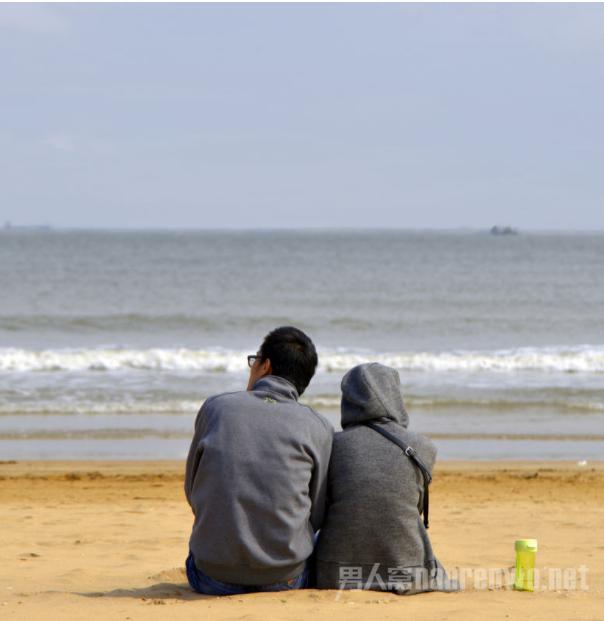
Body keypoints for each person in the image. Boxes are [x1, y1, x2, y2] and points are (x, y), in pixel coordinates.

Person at [184, 326, 333, 595]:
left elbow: (192, 491)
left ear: (265, 365)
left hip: (211, 576)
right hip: (284, 578)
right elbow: (317, 512)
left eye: (255, 360)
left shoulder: (216, 408)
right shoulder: (317, 426)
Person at [314, 362, 456, 594]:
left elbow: (321, 510)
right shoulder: (424, 447)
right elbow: (414, 508)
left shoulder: (331, 444)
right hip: (405, 569)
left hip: (335, 572)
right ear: (395, 396)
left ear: (347, 400)